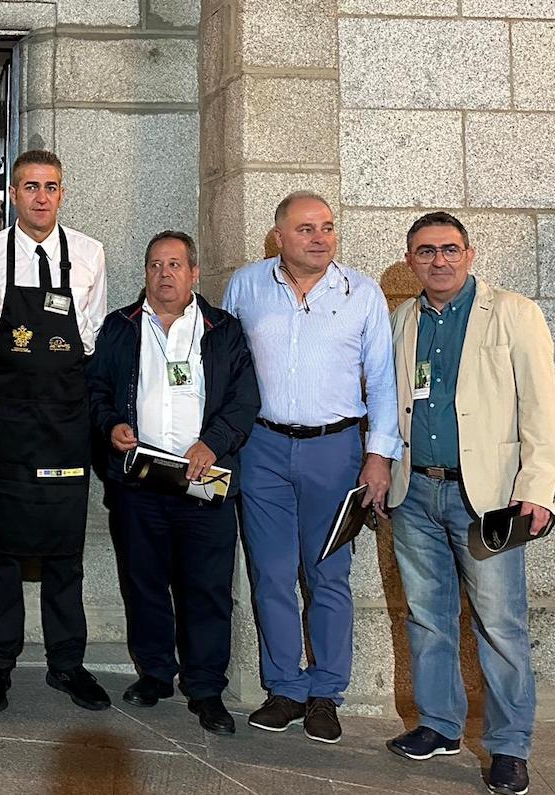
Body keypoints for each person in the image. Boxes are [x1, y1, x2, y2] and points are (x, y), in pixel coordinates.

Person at [384, 212, 555, 795]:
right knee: (428, 617)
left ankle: (509, 747)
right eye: (426, 251)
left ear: (469, 253)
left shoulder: (513, 313)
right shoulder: (403, 319)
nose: (439, 260)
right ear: (410, 260)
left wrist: (536, 488)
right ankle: (439, 725)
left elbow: (541, 408)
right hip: (415, 492)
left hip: (487, 498)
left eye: (450, 249)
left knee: (500, 624)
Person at [222, 191, 400, 743]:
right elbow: (225, 368)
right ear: (278, 237)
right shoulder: (246, 287)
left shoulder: (362, 293)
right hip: (263, 449)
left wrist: (379, 455)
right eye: (306, 229)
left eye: (327, 227)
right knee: (272, 573)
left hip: (336, 449)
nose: (320, 238)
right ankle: (285, 688)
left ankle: (326, 692)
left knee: (328, 574)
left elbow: (384, 380)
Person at [86, 231, 259, 734]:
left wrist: (212, 443)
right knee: (143, 582)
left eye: (175, 264)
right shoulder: (120, 326)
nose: (165, 274)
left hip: (203, 478)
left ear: (194, 273)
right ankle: (156, 673)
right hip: (139, 480)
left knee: (206, 587)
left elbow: (244, 400)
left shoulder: (223, 329)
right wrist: (110, 426)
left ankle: (205, 688)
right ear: (145, 273)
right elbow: (95, 389)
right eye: (156, 265)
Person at [0, 149, 109, 713]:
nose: (41, 197)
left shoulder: (91, 253)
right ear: (14, 194)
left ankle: (67, 664)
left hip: (66, 420)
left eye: (50, 187)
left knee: (65, 550)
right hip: (5, 422)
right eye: (30, 187)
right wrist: (15, 391)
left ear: (62, 193)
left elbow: (91, 336)